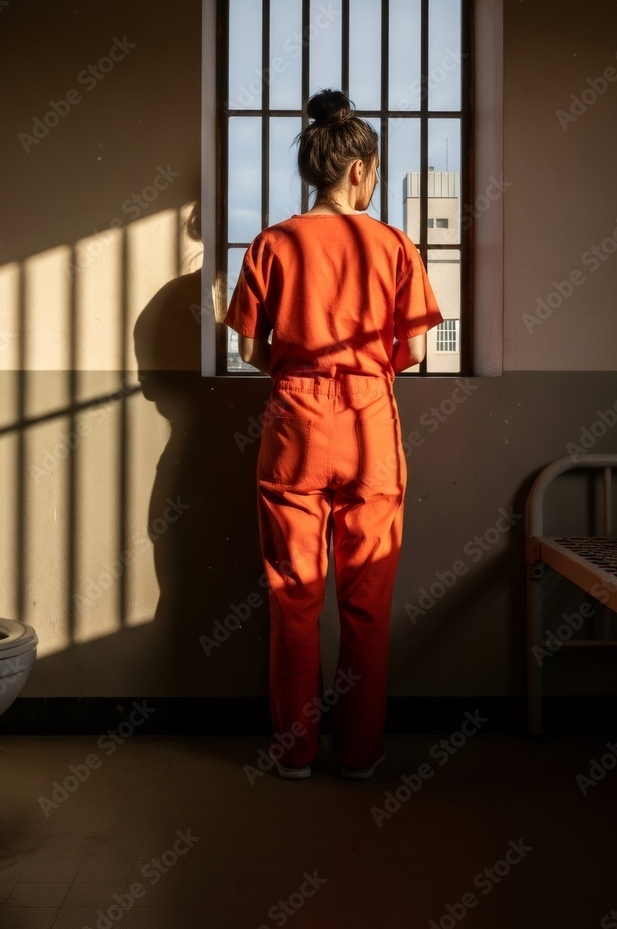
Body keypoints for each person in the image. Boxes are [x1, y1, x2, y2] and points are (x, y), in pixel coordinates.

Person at [224, 89, 443, 779]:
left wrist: (299, 362)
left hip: (295, 423)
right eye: (374, 172)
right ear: (359, 170)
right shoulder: (393, 245)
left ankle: (294, 754)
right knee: (367, 600)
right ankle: (361, 753)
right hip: (369, 424)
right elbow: (413, 353)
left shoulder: (272, 243)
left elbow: (251, 352)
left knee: (294, 596)